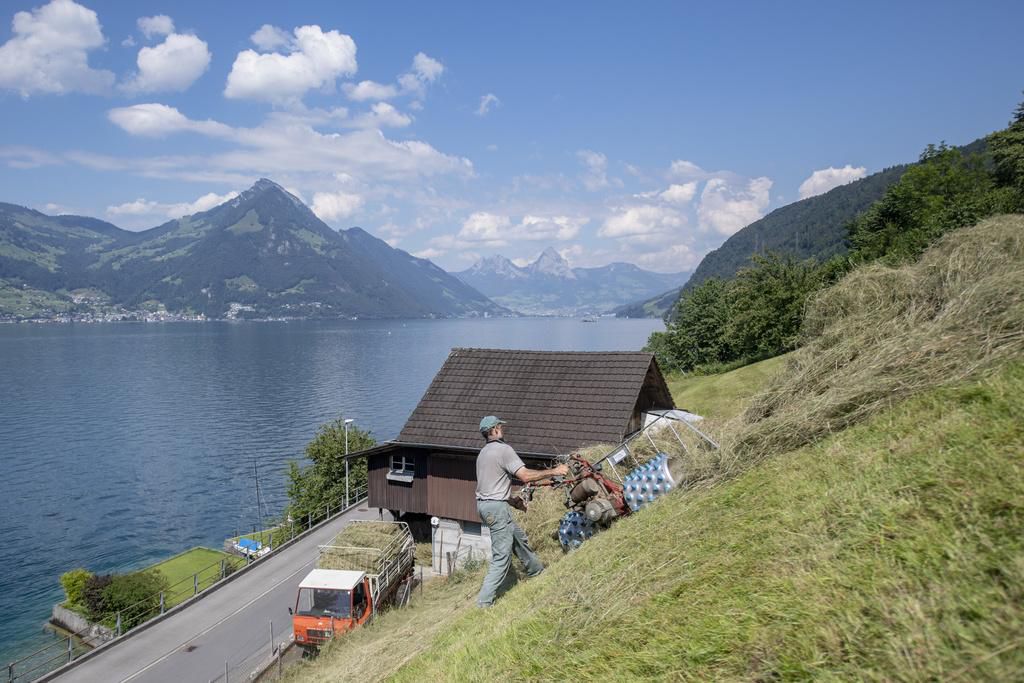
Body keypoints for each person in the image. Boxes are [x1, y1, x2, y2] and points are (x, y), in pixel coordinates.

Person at [475, 415, 569, 608]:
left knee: (519, 539)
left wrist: (513, 501)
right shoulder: (503, 450)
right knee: (502, 556)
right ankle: (483, 603)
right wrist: (555, 471)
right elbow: (525, 476)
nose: (503, 429)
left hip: (488, 506)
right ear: (494, 430)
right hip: (496, 508)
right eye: (500, 426)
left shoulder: (483, 454)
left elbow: (491, 487)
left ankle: (536, 571)